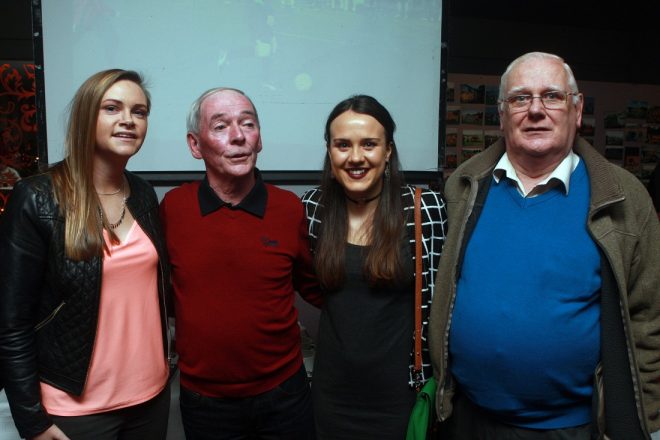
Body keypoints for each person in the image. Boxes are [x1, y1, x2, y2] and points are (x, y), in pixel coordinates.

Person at [428, 51, 660, 439]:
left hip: (573, 427)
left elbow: (649, 321)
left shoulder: (623, 197)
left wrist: (650, 423)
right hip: (466, 418)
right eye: (520, 98)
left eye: (552, 96)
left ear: (577, 108)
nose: (536, 110)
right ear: (502, 114)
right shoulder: (464, 186)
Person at [0, 69, 174, 440]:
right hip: (74, 409)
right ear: (86, 117)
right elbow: (11, 324)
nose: (128, 120)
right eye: (112, 108)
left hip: (151, 398)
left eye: (139, 111)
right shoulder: (38, 198)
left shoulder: (144, 195)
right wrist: (32, 419)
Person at [159, 87, 322, 439]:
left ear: (259, 139)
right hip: (206, 403)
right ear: (195, 145)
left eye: (247, 124)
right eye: (220, 127)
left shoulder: (288, 207)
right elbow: (157, 291)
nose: (237, 136)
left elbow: (313, 286)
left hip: (285, 395)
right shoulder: (173, 209)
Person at [301, 95, 448, 439]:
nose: (355, 157)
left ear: (388, 151)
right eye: (342, 145)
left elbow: (443, 297)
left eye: (369, 144)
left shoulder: (425, 208)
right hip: (332, 396)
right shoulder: (314, 208)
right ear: (329, 151)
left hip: (402, 398)